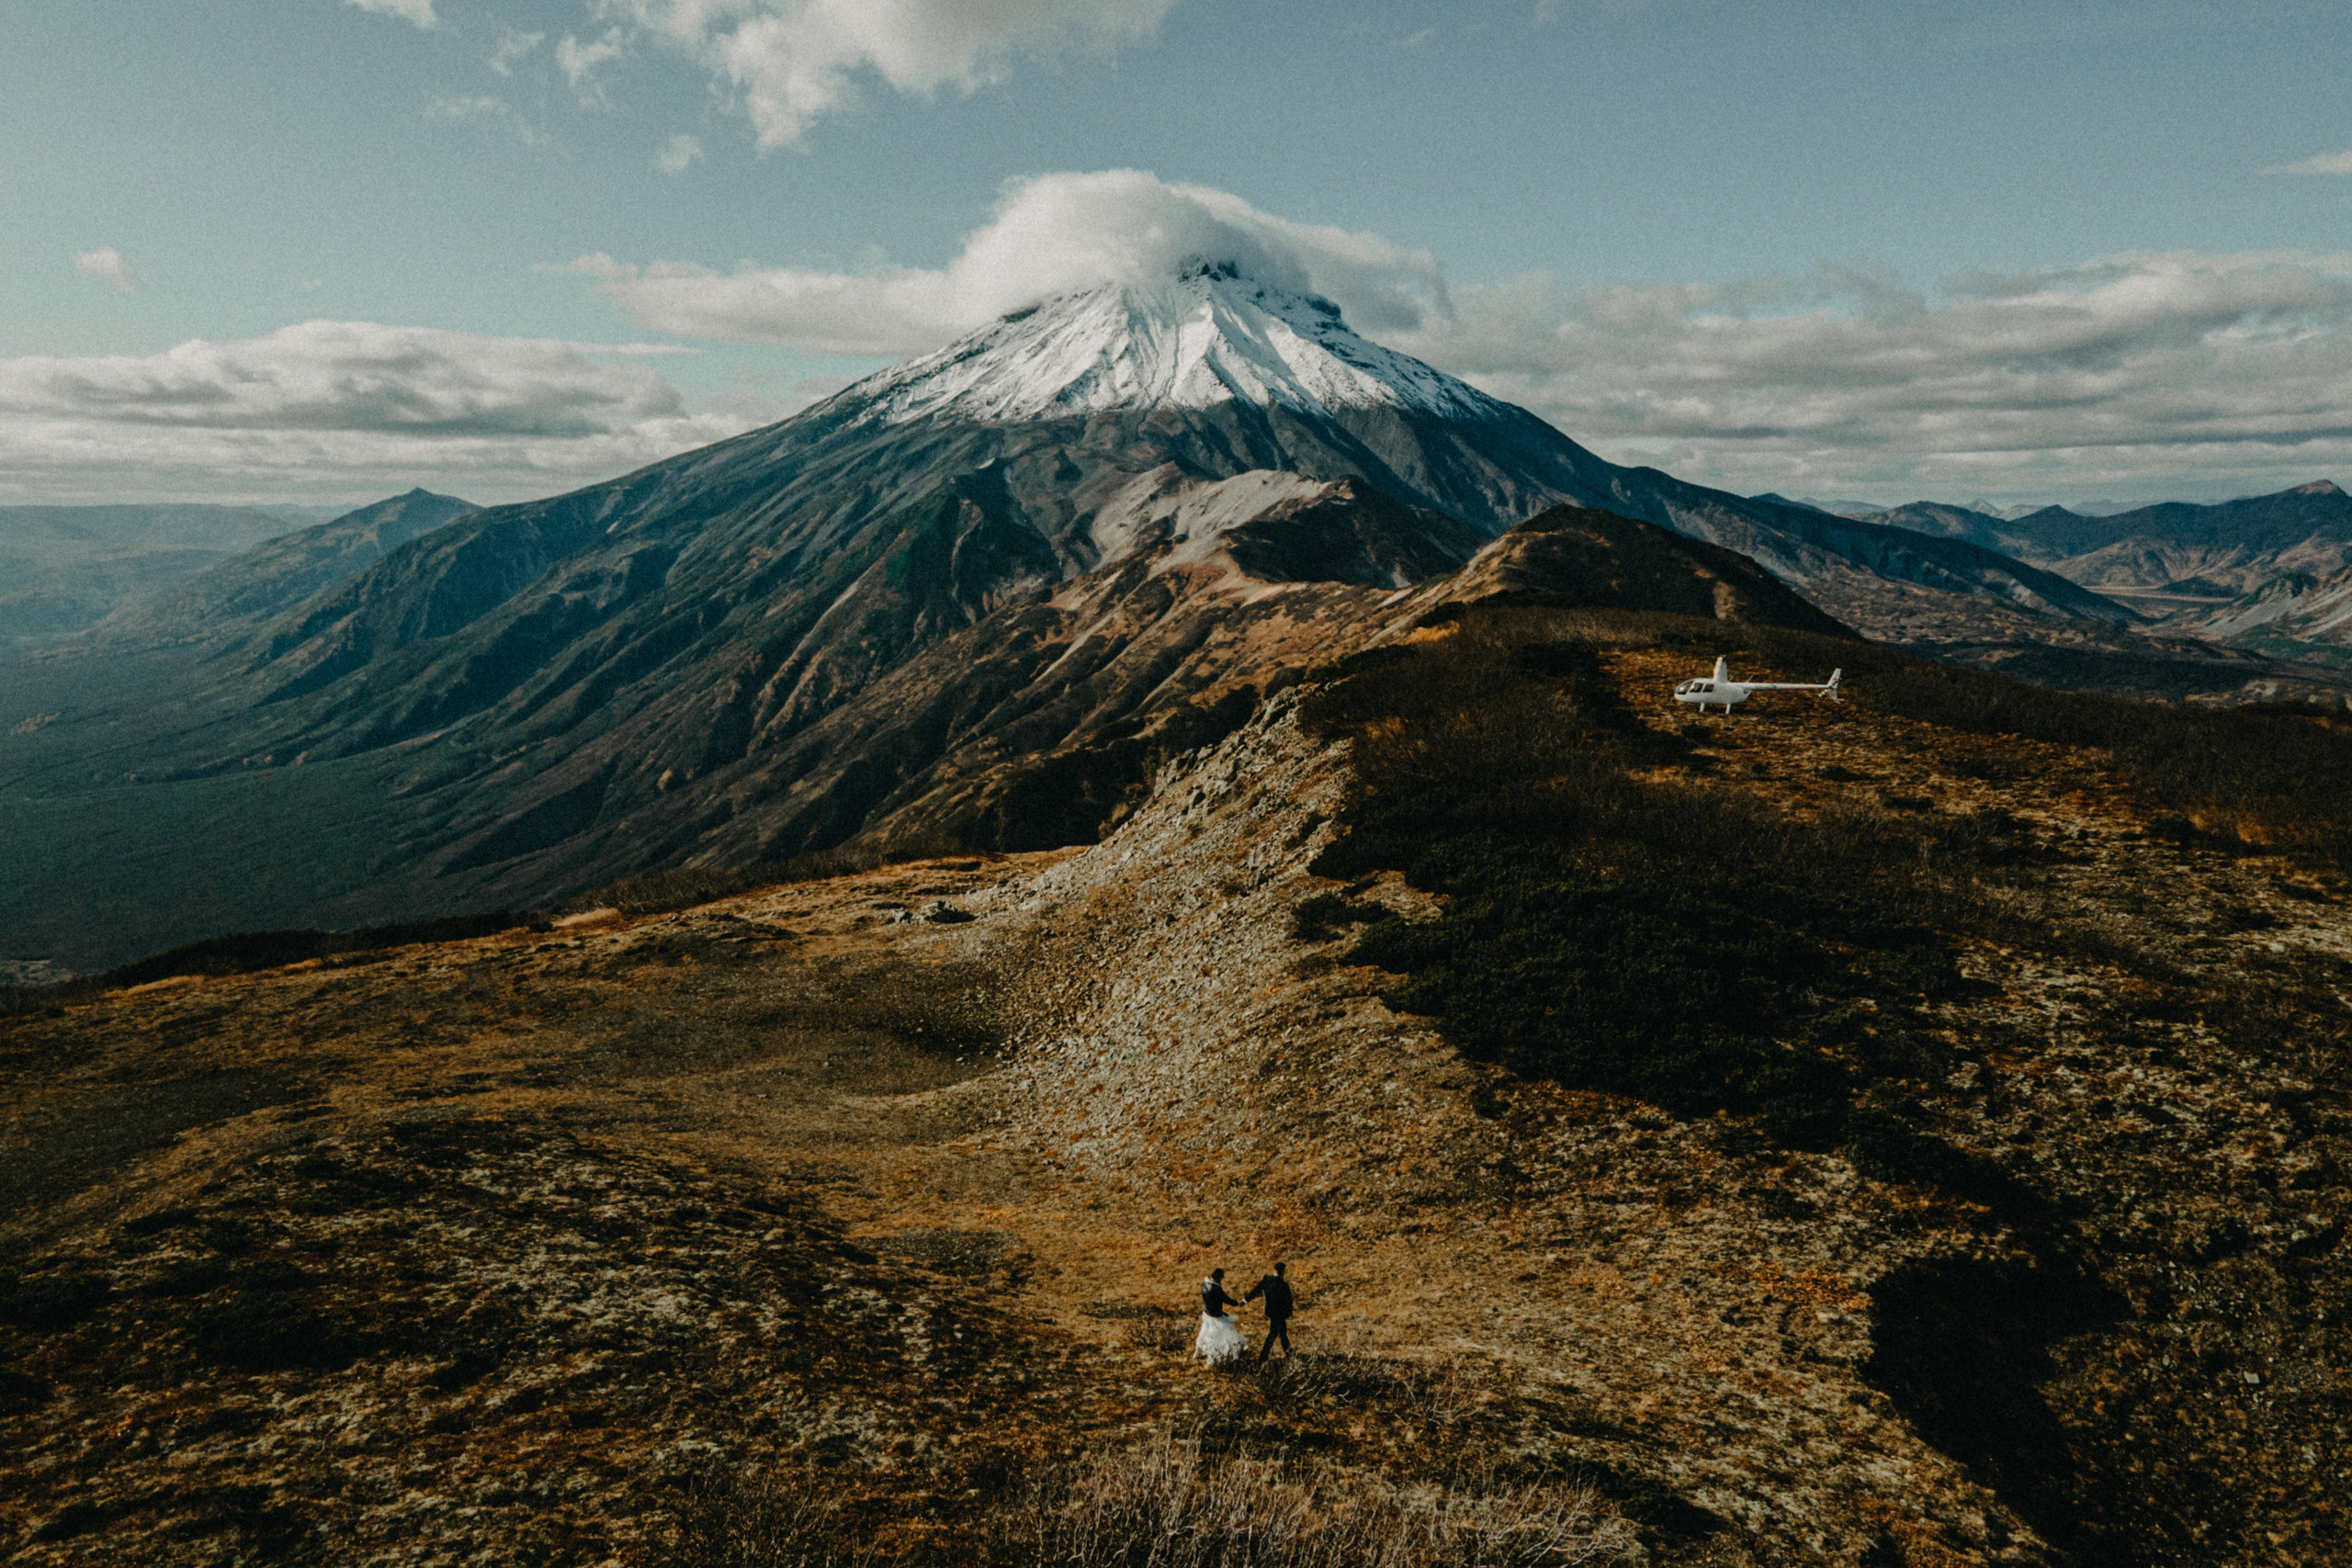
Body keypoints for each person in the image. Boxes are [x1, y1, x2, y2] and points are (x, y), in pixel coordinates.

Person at [1193, 1268, 1249, 1364]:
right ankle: (1234, 1353)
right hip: (1216, 1317)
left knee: (1205, 1332)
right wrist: (1238, 1303)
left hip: (1207, 1314)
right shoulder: (1216, 1289)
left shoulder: (1205, 1284)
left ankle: (1198, 1350)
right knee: (1229, 1331)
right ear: (1220, 1277)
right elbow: (1226, 1300)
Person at [1245, 1261, 1295, 1360]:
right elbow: (1289, 1301)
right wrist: (1289, 1314)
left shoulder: (1267, 1280)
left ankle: (1265, 1356)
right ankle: (1289, 1355)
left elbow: (1256, 1290)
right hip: (1280, 1314)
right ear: (1282, 1271)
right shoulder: (1283, 1285)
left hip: (1271, 1312)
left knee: (1274, 1333)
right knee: (1281, 1334)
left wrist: (1245, 1300)